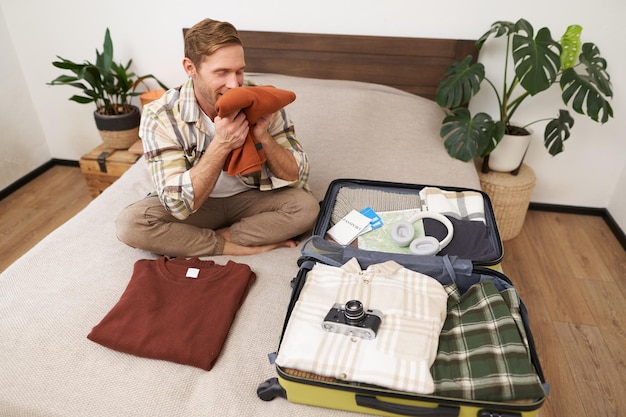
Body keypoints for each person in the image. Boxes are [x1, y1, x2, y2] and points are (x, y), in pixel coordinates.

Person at [116, 18, 319, 257]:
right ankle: (227, 246)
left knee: (306, 209)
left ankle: (220, 237)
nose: (234, 84)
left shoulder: (260, 99)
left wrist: (264, 136)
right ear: (190, 68)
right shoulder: (161, 115)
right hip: (199, 207)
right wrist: (222, 144)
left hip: (251, 197)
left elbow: (297, 176)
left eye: (239, 71)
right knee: (131, 224)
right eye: (222, 72)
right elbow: (176, 204)